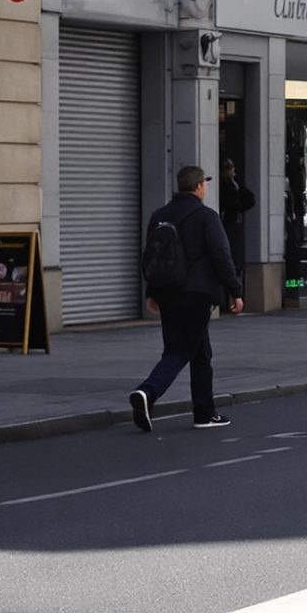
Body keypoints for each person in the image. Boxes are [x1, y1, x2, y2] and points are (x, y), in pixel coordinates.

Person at [129, 166, 243, 432]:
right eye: (205, 183)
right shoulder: (206, 216)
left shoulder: (159, 215)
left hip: (167, 293)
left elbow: (151, 257)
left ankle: (204, 413)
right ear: (199, 186)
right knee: (179, 351)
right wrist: (235, 291)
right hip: (197, 294)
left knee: (200, 352)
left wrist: (152, 293)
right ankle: (148, 392)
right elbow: (220, 256)